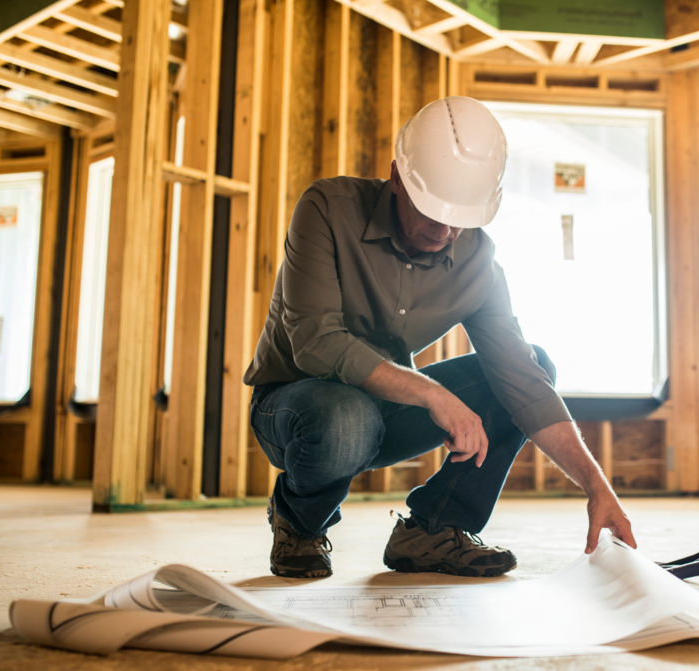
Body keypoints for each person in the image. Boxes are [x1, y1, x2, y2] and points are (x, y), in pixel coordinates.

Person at [244, 96, 637, 579]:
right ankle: (298, 523)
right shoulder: (328, 208)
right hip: (293, 407)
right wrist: (432, 393)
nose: (446, 230)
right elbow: (314, 341)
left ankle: (434, 529)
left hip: (382, 408)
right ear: (396, 178)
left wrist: (597, 486)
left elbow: (525, 384)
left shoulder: (478, 262)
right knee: (347, 417)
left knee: (535, 363)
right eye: (432, 212)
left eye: (462, 218)